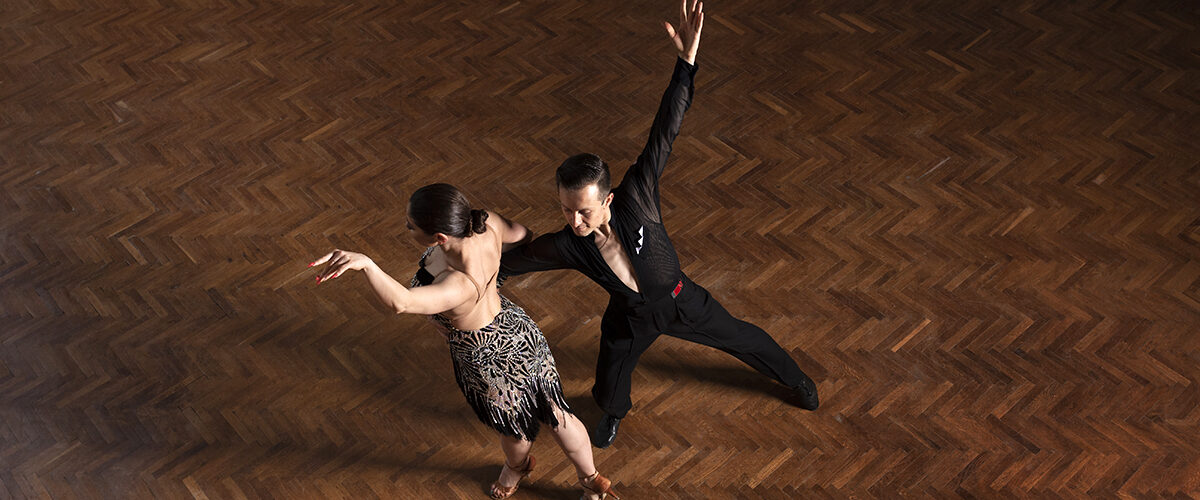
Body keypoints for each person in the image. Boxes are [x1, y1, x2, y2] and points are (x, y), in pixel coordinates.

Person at [500, 0, 819, 449]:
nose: (574, 220)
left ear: (608, 199)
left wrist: (686, 64)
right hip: (630, 316)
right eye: (566, 210)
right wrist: (466, 263)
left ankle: (796, 379)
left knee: (743, 337)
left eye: (584, 211)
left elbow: (665, 130)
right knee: (610, 372)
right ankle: (613, 412)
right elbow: (515, 262)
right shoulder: (569, 244)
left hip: (680, 299)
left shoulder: (638, 195)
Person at [311, 183, 619, 499]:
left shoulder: (458, 284)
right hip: (518, 330)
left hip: (487, 359)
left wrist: (366, 263)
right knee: (557, 413)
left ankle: (518, 467)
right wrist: (491, 272)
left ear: (439, 237)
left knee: (514, 428)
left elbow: (401, 302)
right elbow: (523, 236)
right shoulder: (486, 223)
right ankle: (592, 480)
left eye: (411, 226)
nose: (406, 228)